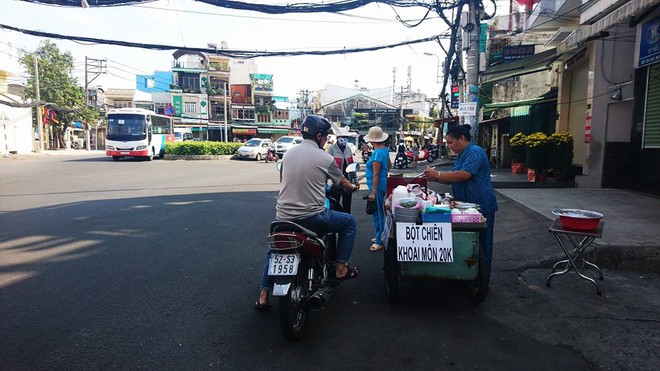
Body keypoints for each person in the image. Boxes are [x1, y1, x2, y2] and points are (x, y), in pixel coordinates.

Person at [255, 115, 361, 310]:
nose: (327, 140)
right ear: (319, 135)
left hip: (283, 217)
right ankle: (340, 268)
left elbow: (286, 180)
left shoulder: (288, 154)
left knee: (275, 249)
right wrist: (353, 186)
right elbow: (343, 183)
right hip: (312, 219)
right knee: (349, 222)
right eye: (326, 137)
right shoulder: (325, 158)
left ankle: (263, 294)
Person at [422, 124, 498, 273]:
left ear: (462, 138)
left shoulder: (475, 151)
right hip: (465, 207)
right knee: (467, 242)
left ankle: (481, 279)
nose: (449, 146)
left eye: (450, 142)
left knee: (482, 244)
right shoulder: (461, 155)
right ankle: (466, 272)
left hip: (482, 206)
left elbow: (464, 174)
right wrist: (435, 178)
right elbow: (452, 178)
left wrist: (437, 175)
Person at [363, 126, 391, 252]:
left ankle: (380, 240)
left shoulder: (376, 153)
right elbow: (389, 165)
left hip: (377, 187)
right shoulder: (384, 150)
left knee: (378, 213)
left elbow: (376, 174)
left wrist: (373, 192)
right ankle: (379, 235)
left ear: (371, 140)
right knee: (378, 212)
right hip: (381, 185)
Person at [327, 131, 356, 213]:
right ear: (337, 138)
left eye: (346, 137)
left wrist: (355, 180)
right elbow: (328, 166)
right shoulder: (332, 149)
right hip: (336, 181)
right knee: (335, 204)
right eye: (342, 137)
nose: (344, 139)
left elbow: (352, 166)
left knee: (347, 205)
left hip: (347, 181)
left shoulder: (348, 149)